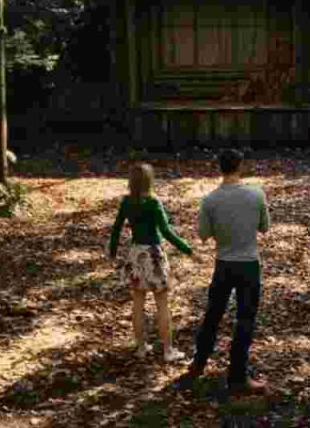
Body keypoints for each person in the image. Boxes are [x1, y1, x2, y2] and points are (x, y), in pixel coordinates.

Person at [182, 149, 271, 395]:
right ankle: (238, 375)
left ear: (219, 168)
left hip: (223, 263)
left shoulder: (210, 200)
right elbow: (265, 227)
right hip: (249, 263)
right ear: (240, 166)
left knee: (213, 314)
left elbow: (203, 234)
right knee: (245, 318)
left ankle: (198, 363)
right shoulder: (256, 194)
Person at [107, 163, 193, 362]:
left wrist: (112, 252)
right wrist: (188, 250)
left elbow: (116, 229)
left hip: (136, 253)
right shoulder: (153, 203)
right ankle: (168, 350)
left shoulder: (127, 202)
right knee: (162, 303)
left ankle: (141, 348)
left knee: (138, 302)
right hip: (153, 255)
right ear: (149, 181)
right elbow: (166, 232)